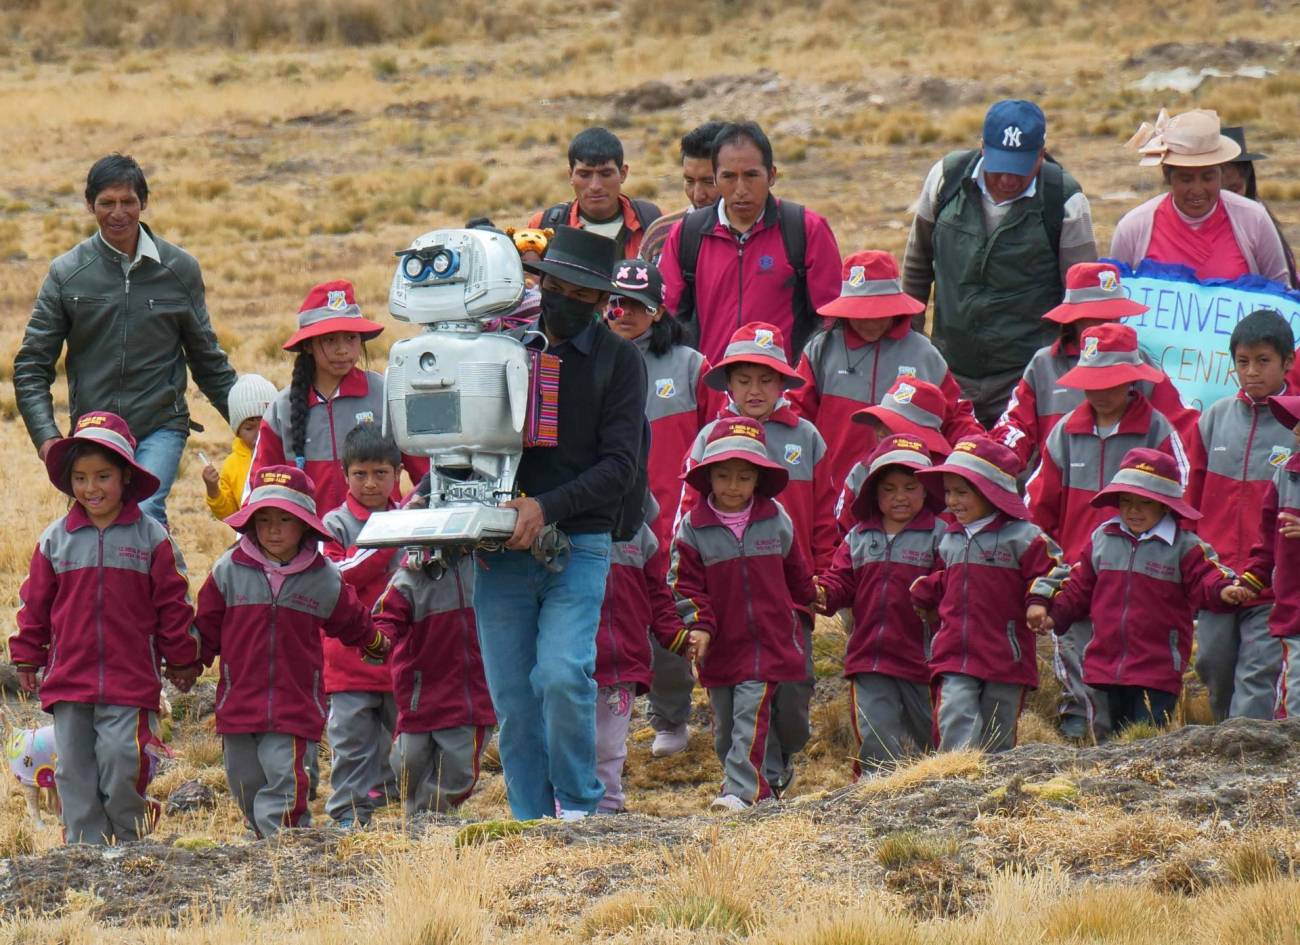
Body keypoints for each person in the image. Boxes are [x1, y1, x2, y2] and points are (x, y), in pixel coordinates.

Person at [473, 226, 647, 822]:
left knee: (563, 674)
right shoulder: (500, 350)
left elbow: (620, 466)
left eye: (580, 292)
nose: (564, 298)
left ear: (603, 302)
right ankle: (529, 820)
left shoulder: (620, 363)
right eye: (555, 284)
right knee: (515, 700)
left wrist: (546, 507)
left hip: (580, 543)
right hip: (498, 546)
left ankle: (577, 806)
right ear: (540, 281)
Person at [13, 154, 237, 527]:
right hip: (94, 429)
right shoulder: (67, 273)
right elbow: (31, 365)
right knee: (98, 525)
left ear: (143, 203)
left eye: (127, 201)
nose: (118, 212)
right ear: (90, 205)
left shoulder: (179, 269)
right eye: (107, 203)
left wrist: (253, 427)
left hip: (160, 424)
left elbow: (207, 360)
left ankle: (170, 588)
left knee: (143, 513)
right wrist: (47, 438)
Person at [10, 411, 202, 844]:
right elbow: (33, 604)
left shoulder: (152, 539)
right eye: (80, 478)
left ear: (126, 479)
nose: (91, 488)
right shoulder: (55, 540)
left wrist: (183, 659)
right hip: (69, 677)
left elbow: (173, 605)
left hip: (130, 677)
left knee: (122, 761)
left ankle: (131, 837)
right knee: (73, 770)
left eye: (102, 476)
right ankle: (84, 852)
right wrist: (27, 653)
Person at [680, 322, 837, 794]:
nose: (755, 390)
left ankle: (781, 757)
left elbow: (827, 515)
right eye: (744, 379)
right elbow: (686, 519)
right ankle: (756, 785)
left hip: (789, 595)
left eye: (766, 380)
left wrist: (822, 578)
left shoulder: (806, 436)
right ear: (727, 383)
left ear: (784, 385)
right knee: (737, 700)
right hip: (726, 598)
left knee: (794, 696)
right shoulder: (708, 437)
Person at [195, 465, 387, 838]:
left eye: (285, 519)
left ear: (305, 525)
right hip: (238, 703)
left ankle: (285, 850)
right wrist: (187, 662)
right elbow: (206, 627)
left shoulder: (321, 576)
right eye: (264, 519)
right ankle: (263, 840)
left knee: (285, 787)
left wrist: (374, 643)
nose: (273, 529)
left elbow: (350, 618)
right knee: (244, 783)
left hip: (294, 705)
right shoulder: (229, 569)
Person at [1026, 323, 1194, 739]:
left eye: (1110, 382)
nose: (1099, 392)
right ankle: (1081, 746)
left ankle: (1128, 757)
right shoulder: (1064, 431)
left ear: (1133, 378)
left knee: (1134, 679)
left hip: (1141, 583)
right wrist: (1053, 567)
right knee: (1077, 668)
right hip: (1076, 578)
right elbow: (1039, 507)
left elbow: (1184, 503)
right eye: (1091, 381)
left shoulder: (1159, 431)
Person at [901, 100, 1098, 426]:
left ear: (1041, 154)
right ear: (982, 148)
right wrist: (910, 342)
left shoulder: (1065, 201)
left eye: (1019, 168)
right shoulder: (945, 180)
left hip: (1025, 378)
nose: (1007, 179)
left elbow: (1082, 301)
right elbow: (917, 265)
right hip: (948, 368)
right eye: (1000, 166)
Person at [668, 417, 816, 809]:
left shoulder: (775, 518)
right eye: (723, 476)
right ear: (708, 478)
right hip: (722, 645)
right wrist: (698, 626)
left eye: (744, 477)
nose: (733, 486)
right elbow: (684, 586)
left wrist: (810, 598)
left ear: (758, 480)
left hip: (770, 638)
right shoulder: (692, 529)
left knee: (755, 715)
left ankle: (740, 791)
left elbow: (795, 567)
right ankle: (762, 786)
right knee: (727, 729)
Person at [1046, 449, 1250, 732]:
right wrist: (1053, 615)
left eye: (1144, 502)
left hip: (1158, 669)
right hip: (1103, 665)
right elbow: (1078, 587)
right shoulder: (1102, 539)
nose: (1133, 510)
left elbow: (1208, 578)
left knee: (1147, 740)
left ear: (1165, 506)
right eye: (1126, 501)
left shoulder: (1185, 546)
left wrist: (1224, 591)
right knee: (1105, 741)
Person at [603, 258, 716, 757]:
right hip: (608, 520)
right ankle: (610, 724)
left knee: (669, 616)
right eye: (615, 302)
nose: (624, 313)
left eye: (637, 303)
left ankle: (672, 718)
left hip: (675, 519)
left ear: (659, 308)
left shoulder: (691, 366)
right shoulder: (589, 364)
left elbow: (716, 440)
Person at [911, 438, 1069, 752]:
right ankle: (955, 779)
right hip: (954, 652)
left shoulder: (1024, 537)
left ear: (990, 491)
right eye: (948, 491)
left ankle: (994, 791)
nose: (952, 501)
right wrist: (925, 591)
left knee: (998, 730)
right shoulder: (950, 539)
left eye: (961, 492)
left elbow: (1055, 571)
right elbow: (950, 581)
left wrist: (1037, 601)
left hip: (1005, 656)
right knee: (954, 712)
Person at [790, 249, 981, 492]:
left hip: (906, 496)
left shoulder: (924, 354)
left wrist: (975, 452)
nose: (870, 321)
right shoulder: (822, 349)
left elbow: (955, 417)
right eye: (861, 313)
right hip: (832, 488)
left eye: (878, 312)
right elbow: (797, 415)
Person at [814, 435, 945, 775]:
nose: (899, 496)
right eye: (888, 488)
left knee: (935, 738)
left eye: (909, 486)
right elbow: (840, 582)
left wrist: (931, 596)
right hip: (869, 657)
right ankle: (876, 794)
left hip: (925, 661)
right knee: (875, 735)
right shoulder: (859, 537)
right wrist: (822, 594)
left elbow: (952, 588)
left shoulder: (942, 535)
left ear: (927, 489)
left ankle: (941, 791)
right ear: (873, 492)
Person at [659, 121, 842, 362]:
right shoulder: (687, 235)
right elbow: (667, 318)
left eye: (751, 175)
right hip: (709, 393)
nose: (741, 189)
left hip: (787, 395)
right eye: (729, 177)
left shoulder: (807, 230)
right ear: (715, 178)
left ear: (772, 175)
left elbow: (831, 321)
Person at [1188, 311, 1294, 721]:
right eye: (1243, 362)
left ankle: (1249, 761)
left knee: (1257, 677)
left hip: (1272, 584)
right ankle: (1225, 746)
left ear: (1287, 361)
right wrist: (1199, 568)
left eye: (1263, 361)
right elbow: (1190, 501)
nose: (1252, 372)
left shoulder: (1297, 427)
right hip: (1217, 580)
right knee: (1212, 666)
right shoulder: (1213, 419)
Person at [992, 262, 1199, 469]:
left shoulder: (1139, 362)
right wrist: (998, 462)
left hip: (1128, 493)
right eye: (1097, 317)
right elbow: (1016, 426)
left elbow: (1184, 426)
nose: (1107, 324)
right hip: (1061, 490)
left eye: (1114, 315)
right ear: (1074, 319)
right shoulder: (1044, 365)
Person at [250, 279, 426, 515]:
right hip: (313, 547)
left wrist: (404, 515)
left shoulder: (387, 394)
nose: (342, 349)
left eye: (351, 338)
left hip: (381, 540)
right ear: (308, 345)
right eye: (330, 339)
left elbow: (427, 475)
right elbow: (261, 487)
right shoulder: (282, 409)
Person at [319, 424, 405, 828]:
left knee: (405, 744)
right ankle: (348, 818)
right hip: (347, 663)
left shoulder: (415, 522)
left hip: (403, 659)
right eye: (360, 474)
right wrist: (386, 538)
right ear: (344, 474)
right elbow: (334, 577)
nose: (371, 484)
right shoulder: (332, 525)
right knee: (351, 743)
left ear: (398, 473)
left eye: (381, 474)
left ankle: (399, 810)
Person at [372, 551, 495, 818]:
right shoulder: (410, 574)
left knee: (459, 766)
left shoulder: (489, 564)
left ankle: (434, 817)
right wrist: (378, 640)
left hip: (472, 693)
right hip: (420, 692)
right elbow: (384, 616)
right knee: (407, 761)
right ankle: (416, 811)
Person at [1111, 109, 1291, 286]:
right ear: (1167, 175)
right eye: (1186, 179)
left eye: (1208, 177)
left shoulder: (1254, 219)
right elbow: (1115, 297)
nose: (1197, 190)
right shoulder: (1133, 228)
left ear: (1221, 173)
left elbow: (1280, 295)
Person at [593, 498, 683, 812]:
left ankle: (607, 803)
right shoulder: (567, 528)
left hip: (624, 661)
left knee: (608, 743)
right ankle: (569, 799)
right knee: (571, 736)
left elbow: (657, 593)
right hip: (577, 658)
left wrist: (676, 636)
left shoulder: (641, 535)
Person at [1240, 395, 1300, 719]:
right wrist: (1250, 581)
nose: (1296, 433)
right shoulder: (1285, 477)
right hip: (1294, 614)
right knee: (1295, 703)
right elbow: (1267, 543)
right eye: (1296, 427)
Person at [834, 377, 955, 534]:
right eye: (878, 422)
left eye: (892, 424)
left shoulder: (949, 475)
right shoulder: (863, 470)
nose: (881, 431)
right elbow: (842, 534)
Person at [527, 127, 661, 260]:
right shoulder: (542, 228)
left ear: (623, 173)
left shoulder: (657, 224)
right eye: (584, 175)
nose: (595, 186)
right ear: (570, 175)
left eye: (605, 174)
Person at [639, 121, 727, 265]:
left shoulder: (765, 235)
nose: (698, 195)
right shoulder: (661, 234)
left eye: (709, 182)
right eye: (690, 181)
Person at [1219, 126, 1297, 286]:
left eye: (1234, 190)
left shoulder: (1259, 221)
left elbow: (1281, 287)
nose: (1227, 199)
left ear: (1248, 182)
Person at [203, 373, 278, 521]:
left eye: (265, 426)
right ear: (237, 432)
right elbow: (229, 514)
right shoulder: (232, 465)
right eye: (249, 428)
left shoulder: (288, 454)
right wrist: (213, 490)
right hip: (249, 538)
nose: (259, 434)